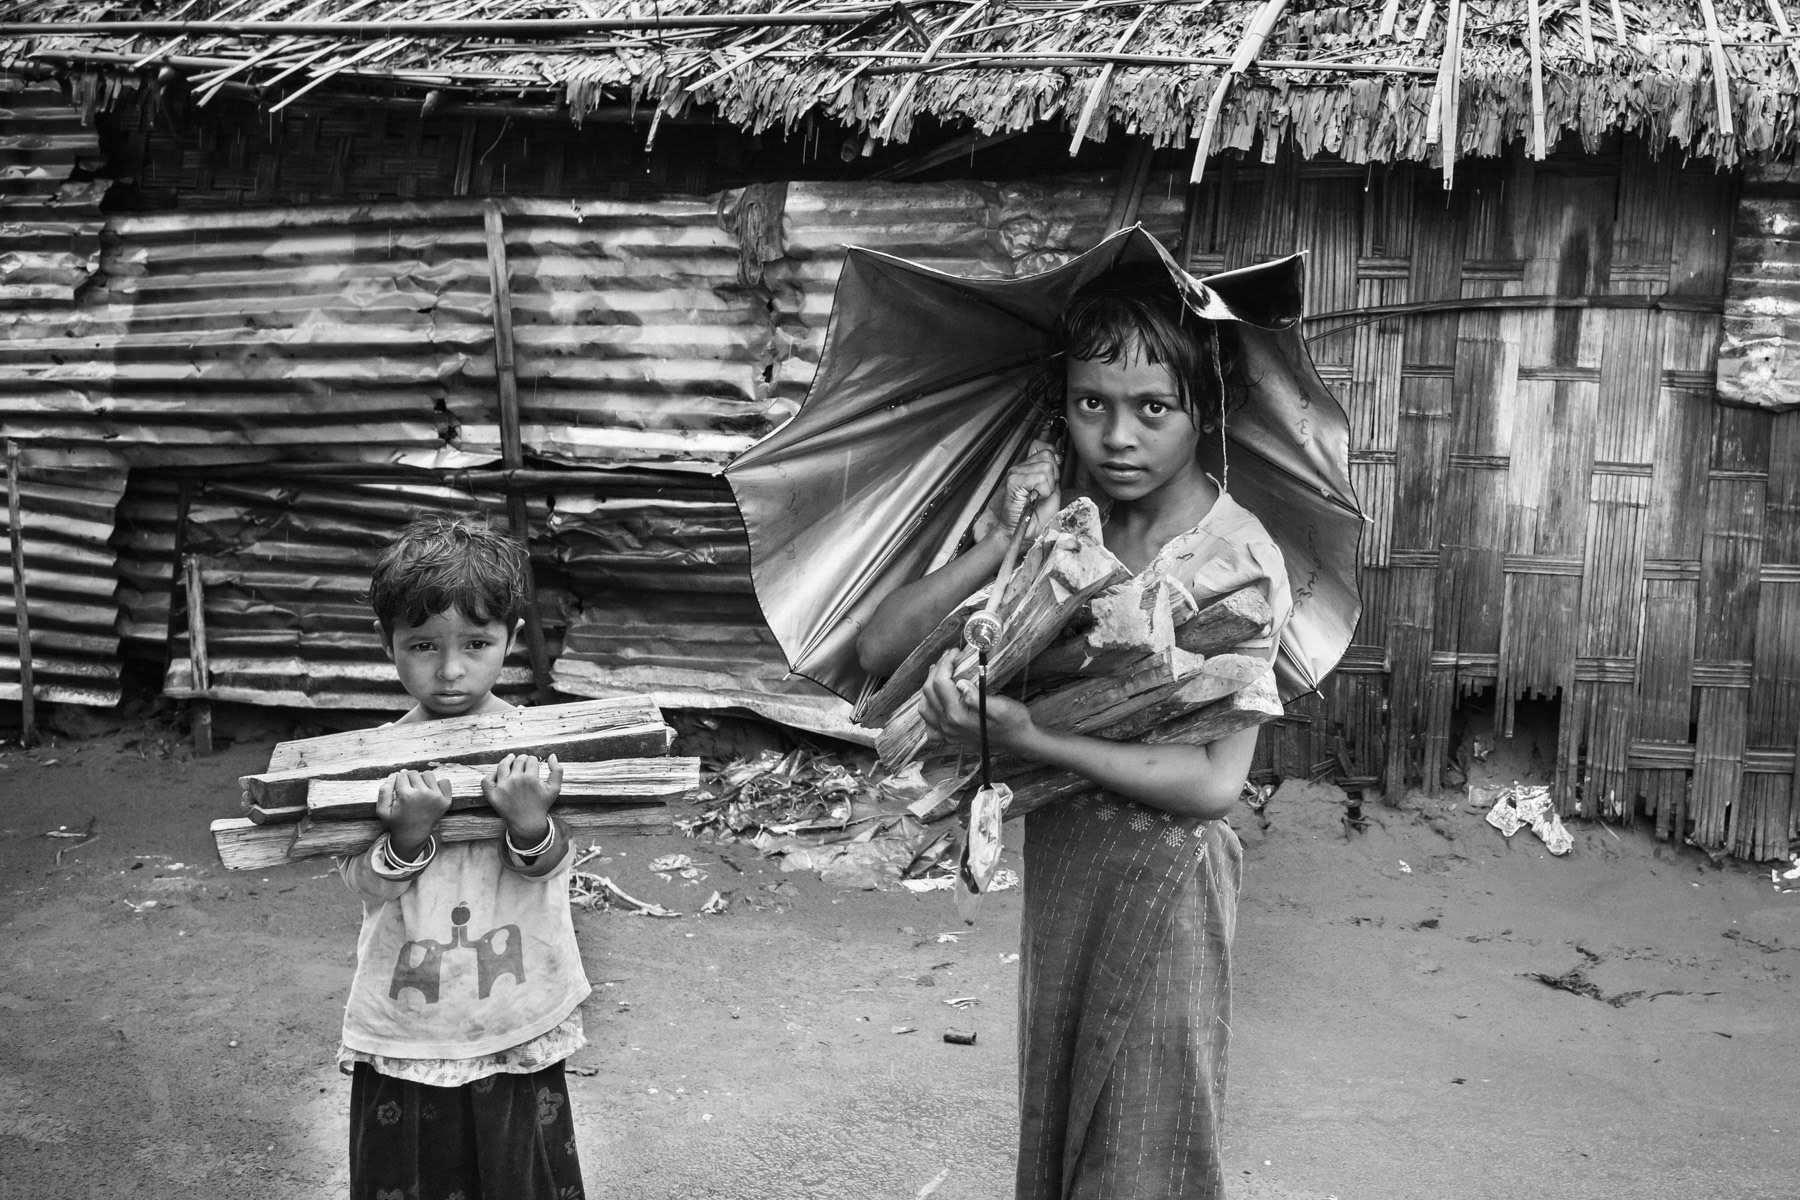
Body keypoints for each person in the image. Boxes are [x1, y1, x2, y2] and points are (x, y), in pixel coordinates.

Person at [857, 263, 1291, 1200]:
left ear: (1203, 409)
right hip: (1068, 858)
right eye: (1091, 403)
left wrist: (1030, 739)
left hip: (1168, 875)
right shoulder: (1060, 534)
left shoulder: (1236, 560)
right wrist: (1004, 539)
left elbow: (1216, 782)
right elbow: (879, 645)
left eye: (1153, 408)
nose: (1119, 435)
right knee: (1059, 1107)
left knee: (1144, 1135)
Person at [337, 512, 589, 1200]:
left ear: (509, 641)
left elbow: (557, 864)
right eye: (423, 645)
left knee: (519, 1175)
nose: (450, 669)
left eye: (476, 642)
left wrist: (530, 820)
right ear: (390, 645)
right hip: (413, 1020)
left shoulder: (535, 748)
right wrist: (407, 836)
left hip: (513, 1011)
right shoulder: (376, 760)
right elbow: (363, 880)